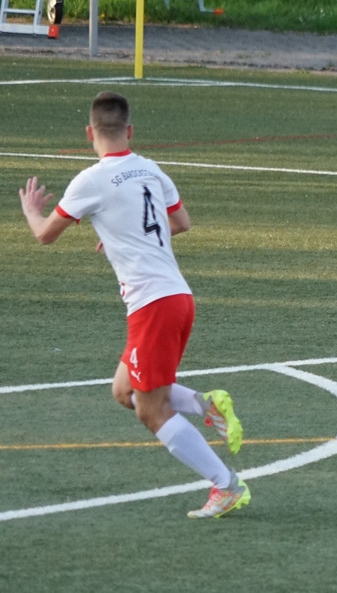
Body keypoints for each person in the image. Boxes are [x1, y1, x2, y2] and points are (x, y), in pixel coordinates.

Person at [18, 91, 251, 519]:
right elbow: (181, 222)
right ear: (130, 131)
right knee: (124, 391)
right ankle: (206, 405)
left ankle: (226, 485)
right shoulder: (150, 169)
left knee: (151, 409)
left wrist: (32, 210)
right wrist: (123, 236)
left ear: (89, 133)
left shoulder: (91, 180)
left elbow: (45, 235)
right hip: (177, 297)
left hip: (152, 305)